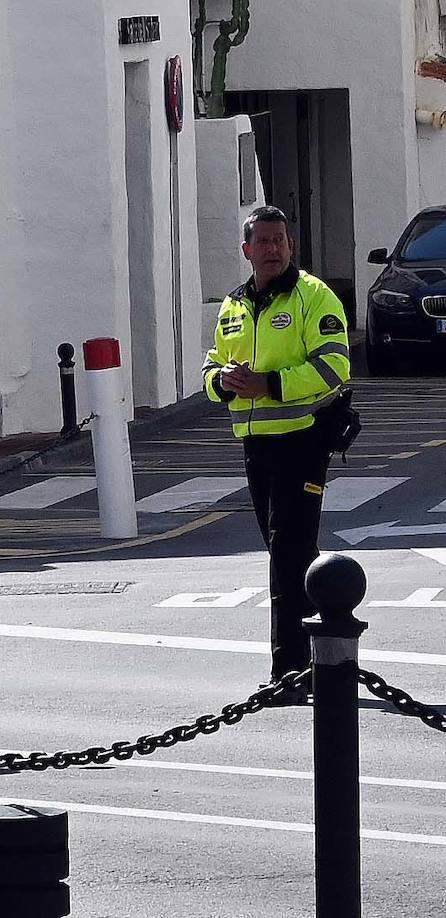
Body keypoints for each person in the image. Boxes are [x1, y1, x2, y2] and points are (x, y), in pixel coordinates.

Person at [201, 206, 351, 704]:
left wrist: (271, 384)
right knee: (283, 551)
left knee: (289, 552)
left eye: (279, 240)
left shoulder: (312, 296)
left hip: (304, 440)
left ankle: (290, 670)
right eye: (262, 241)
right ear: (246, 250)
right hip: (256, 443)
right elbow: (211, 365)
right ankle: (320, 660)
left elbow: (334, 366)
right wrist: (222, 383)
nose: (272, 248)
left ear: (290, 245)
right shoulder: (235, 305)